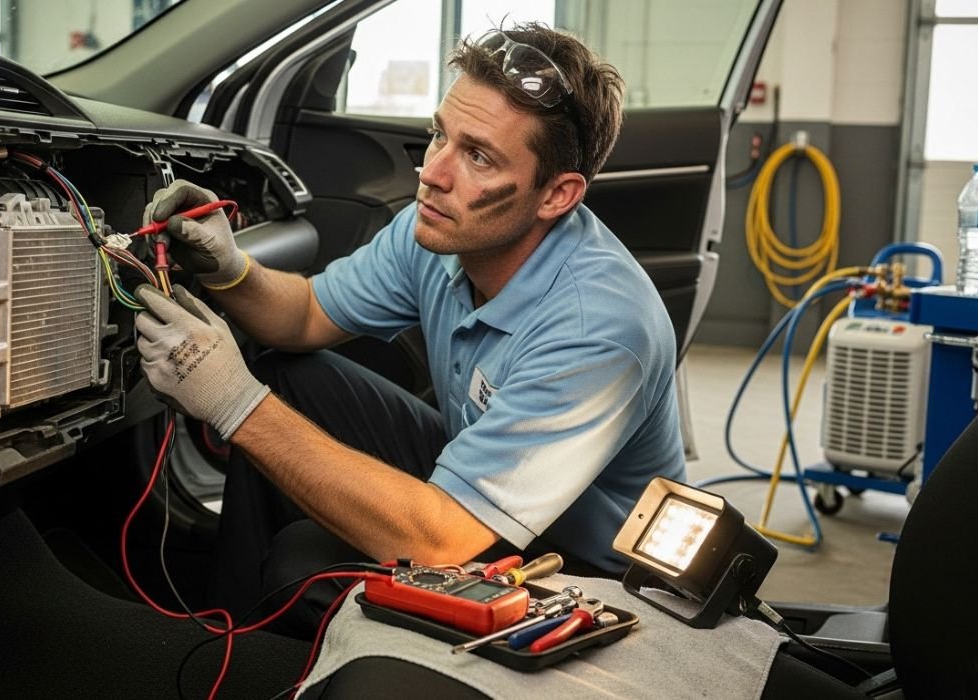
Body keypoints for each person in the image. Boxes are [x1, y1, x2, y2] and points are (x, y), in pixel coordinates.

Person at [132, 22, 686, 635]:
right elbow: (307, 314)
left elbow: (442, 541)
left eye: (477, 155)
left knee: (304, 564)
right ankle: (231, 639)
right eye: (439, 136)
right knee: (293, 379)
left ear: (557, 195)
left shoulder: (599, 328)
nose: (433, 173)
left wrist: (231, 402)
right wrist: (230, 268)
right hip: (481, 495)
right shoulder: (442, 231)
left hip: (586, 572)